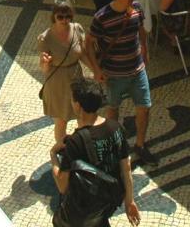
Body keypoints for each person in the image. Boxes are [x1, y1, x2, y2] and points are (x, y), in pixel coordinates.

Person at [84, 0, 158, 166]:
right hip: (114, 74)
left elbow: (140, 29)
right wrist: (96, 69)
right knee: (113, 110)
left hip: (137, 71)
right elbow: (89, 43)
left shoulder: (137, 9)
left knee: (145, 107)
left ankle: (140, 145)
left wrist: (144, 49)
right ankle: (115, 147)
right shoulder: (102, 17)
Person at [50, 78, 140, 227]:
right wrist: (129, 200)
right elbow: (126, 167)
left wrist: (53, 155)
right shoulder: (116, 128)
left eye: (72, 100)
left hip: (86, 206)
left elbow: (62, 185)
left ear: (78, 105)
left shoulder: (75, 141)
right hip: (107, 202)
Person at [37, 0, 89, 149]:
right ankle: (62, 150)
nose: (65, 20)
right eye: (60, 17)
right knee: (61, 120)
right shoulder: (45, 38)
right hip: (57, 83)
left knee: (82, 115)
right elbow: (44, 69)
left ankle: (83, 147)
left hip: (76, 78)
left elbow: (83, 54)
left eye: (68, 17)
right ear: (53, 16)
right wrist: (45, 62)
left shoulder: (77, 29)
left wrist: (96, 70)